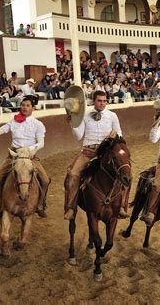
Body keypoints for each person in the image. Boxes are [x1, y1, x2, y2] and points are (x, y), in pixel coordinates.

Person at [64, 90, 128, 220]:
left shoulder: (112, 116)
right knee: (73, 174)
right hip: (88, 152)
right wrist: (72, 123)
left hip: (106, 153)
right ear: (94, 101)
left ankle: (121, 206)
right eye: (99, 101)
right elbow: (78, 136)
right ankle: (71, 207)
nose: (102, 103)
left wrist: (114, 137)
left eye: (104, 101)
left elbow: (119, 133)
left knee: (125, 173)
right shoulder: (85, 115)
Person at [0, 97, 50, 218]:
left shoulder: (38, 124)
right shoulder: (13, 121)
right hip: (13, 156)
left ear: (33, 108)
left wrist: (28, 150)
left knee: (45, 180)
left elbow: (41, 143)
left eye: (27, 105)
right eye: (23, 105)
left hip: (29, 156)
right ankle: (3, 205)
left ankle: (40, 205)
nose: (24, 107)